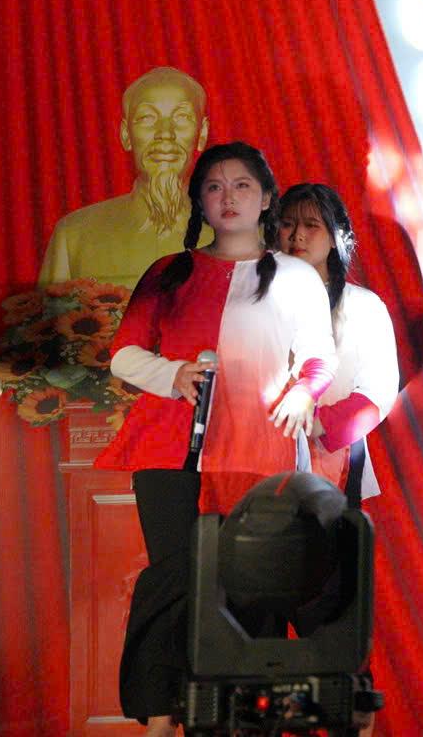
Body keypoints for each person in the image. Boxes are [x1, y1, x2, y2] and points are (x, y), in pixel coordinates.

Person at [93, 142, 337, 736]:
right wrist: (173, 374)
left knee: (251, 585)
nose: (228, 198)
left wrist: (305, 393)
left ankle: (242, 718)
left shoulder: (296, 277)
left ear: (266, 199)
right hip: (169, 445)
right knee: (173, 579)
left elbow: (318, 356)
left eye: (242, 185)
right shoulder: (169, 272)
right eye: (214, 187)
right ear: (199, 201)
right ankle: (159, 715)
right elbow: (123, 354)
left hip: (259, 450)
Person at [277, 182, 400, 502]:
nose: (297, 236)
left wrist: (322, 425)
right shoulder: (255, 299)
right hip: (257, 454)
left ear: (335, 238)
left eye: (311, 225)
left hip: (332, 456)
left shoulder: (363, 306)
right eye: (287, 224)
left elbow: (379, 391)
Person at [41, 66, 211, 288]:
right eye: (147, 118)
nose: (165, 134)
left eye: (182, 117)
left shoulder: (240, 236)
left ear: (202, 133)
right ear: (125, 134)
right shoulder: (74, 236)